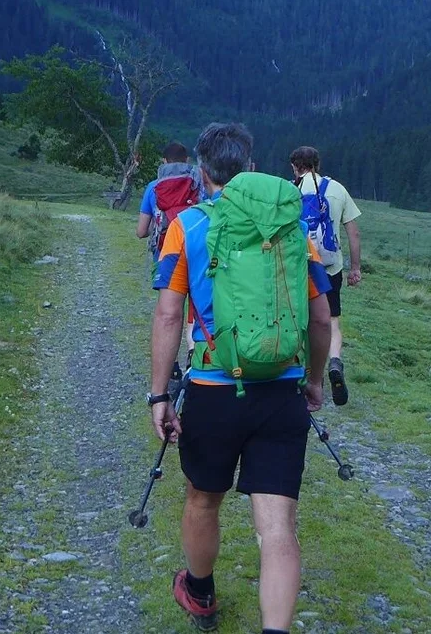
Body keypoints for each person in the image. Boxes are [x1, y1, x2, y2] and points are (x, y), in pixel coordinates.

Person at [149, 122, 333, 634]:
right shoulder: (294, 229)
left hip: (212, 388)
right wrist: (314, 380)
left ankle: (200, 594)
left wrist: (159, 394)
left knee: (203, 498)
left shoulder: (187, 226)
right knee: (277, 527)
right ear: (250, 167)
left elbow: (167, 315)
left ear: (202, 172)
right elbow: (321, 318)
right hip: (281, 389)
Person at [289, 146, 362, 406]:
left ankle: (303, 373)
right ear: (317, 164)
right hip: (330, 267)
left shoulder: (290, 191)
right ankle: (333, 362)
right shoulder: (338, 189)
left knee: (300, 317)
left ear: (295, 167)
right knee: (330, 320)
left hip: (299, 267)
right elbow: (353, 233)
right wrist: (355, 268)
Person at [137, 142, 202, 261]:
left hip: (163, 254)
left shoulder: (153, 187)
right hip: (192, 253)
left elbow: (141, 231)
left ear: (164, 161)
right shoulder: (198, 185)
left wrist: (158, 224)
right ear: (187, 160)